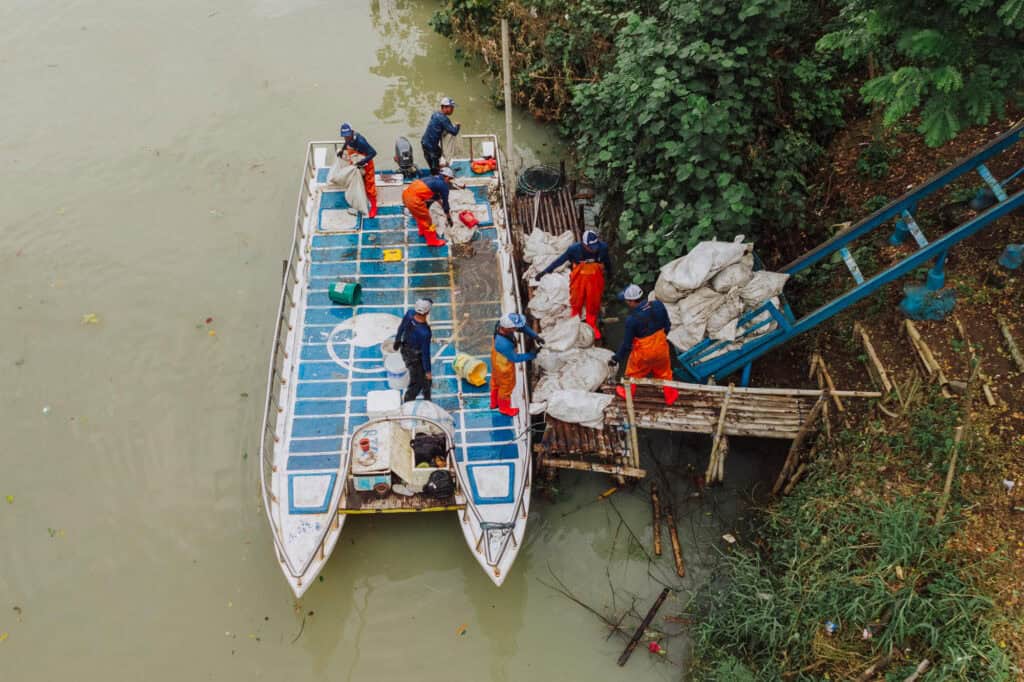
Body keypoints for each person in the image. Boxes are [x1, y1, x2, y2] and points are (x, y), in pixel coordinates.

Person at [608, 284, 680, 406]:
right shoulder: (658, 305)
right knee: (665, 373)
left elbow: (626, 344)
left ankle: (627, 393)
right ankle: (670, 396)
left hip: (644, 353)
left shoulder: (632, 320)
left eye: (627, 301)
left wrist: (616, 358)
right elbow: (667, 326)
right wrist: (659, 339)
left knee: (632, 373)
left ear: (631, 302)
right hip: (661, 347)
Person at [538, 229, 612, 340]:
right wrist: (544, 272)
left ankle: (591, 323)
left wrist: (610, 273)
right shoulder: (574, 249)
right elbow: (560, 261)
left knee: (593, 301)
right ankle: (574, 319)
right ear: (584, 244)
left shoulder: (603, 248)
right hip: (579, 277)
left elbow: (607, 262)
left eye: (595, 246)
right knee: (577, 300)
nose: (594, 249)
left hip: (595, 278)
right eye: (591, 247)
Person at [490, 313, 545, 417]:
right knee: (506, 386)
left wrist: (535, 336)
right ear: (509, 328)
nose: (517, 328)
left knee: (495, 381)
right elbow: (515, 358)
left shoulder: (501, 325)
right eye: (515, 327)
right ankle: (504, 409)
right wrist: (532, 355)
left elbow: (522, 328)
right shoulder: (503, 343)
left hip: (496, 357)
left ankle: (494, 402)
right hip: (503, 364)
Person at [401, 167, 455, 248]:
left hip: (406, 195)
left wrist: (442, 205)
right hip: (414, 200)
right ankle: (432, 241)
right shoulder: (443, 185)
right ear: (446, 177)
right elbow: (446, 203)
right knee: (427, 220)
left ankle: (422, 232)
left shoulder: (433, 178)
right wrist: (448, 217)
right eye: (449, 179)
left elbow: (435, 196)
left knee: (419, 216)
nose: (449, 181)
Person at [394, 298, 434, 402]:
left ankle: (427, 397)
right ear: (428, 312)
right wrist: (428, 371)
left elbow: (401, 328)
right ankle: (408, 401)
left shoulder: (409, 314)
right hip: (416, 359)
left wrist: (397, 341)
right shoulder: (425, 332)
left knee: (425, 380)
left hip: (405, 350)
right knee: (417, 383)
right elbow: (425, 354)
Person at [338, 122, 379, 218]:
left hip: (366, 164)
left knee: (370, 186)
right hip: (356, 162)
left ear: (352, 132)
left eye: (347, 136)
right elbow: (346, 143)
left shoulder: (360, 141)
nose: (346, 138)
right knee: (357, 182)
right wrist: (342, 150)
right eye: (344, 136)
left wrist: (362, 162)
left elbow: (373, 153)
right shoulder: (348, 139)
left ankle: (374, 206)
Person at [421, 96, 460, 175]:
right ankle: (436, 177)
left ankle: (436, 169)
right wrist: (458, 125)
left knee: (438, 153)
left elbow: (437, 125)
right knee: (434, 165)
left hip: (425, 141)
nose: (453, 109)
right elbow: (454, 132)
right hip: (431, 146)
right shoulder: (444, 119)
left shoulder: (435, 114)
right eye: (451, 107)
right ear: (444, 107)